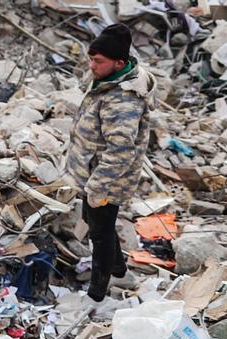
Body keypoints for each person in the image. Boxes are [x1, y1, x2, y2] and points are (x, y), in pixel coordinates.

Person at [65, 22, 157, 303]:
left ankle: (98, 292)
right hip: (92, 171)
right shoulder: (108, 79)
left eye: (98, 61)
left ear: (119, 63)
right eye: (91, 59)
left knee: (101, 234)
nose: (91, 66)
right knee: (92, 222)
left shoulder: (123, 101)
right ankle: (118, 268)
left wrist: (98, 186)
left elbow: (120, 151)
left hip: (107, 178)